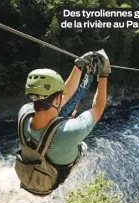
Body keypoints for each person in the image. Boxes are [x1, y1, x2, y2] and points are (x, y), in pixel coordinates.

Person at [17, 50, 111, 189]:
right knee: (83, 146)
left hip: (35, 164)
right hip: (57, 166)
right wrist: (104, 74)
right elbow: (98, 109)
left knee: (62, 115)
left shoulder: (24, 113)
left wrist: (78, 66)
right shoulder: (69, 131)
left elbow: (65, 95)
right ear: (56, 99)